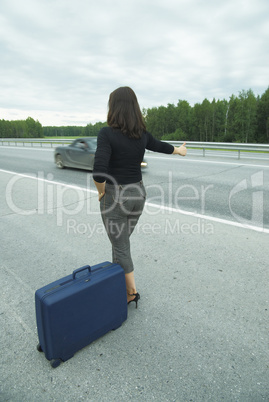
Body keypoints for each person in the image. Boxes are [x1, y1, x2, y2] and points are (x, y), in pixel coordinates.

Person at [93, 87, 186, 307]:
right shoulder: (141, 135)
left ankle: (131, 293)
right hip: (139, 194)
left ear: (113, 108)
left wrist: (100, 191)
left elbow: (98, 172)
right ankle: (121, 284)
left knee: (121, 246)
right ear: (134, 108)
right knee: (121, 243)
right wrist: (179, 151)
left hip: (116, 197)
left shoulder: (106, 134)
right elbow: (160, 146)